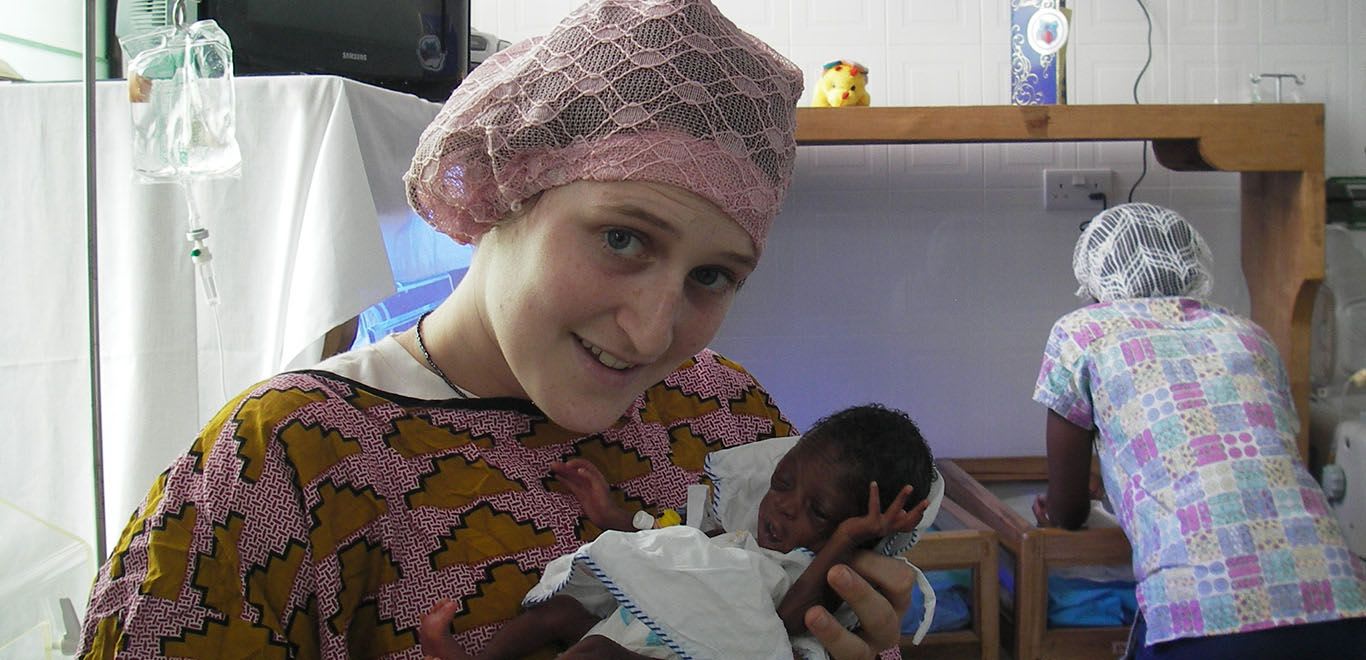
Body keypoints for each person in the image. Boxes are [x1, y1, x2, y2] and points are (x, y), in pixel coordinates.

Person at [77, 1, 918, 658]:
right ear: (507, 180)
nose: (653, 330)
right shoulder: (286, 466)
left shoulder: (731, 424)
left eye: (712, 276)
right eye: (623, 238)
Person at [1031, 203, 1366, 659]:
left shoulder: (1082, 332)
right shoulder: (1248, 333)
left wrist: (1062, 504)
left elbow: (1068, 509)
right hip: (1336, 594)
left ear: (1094, 279)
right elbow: (1241, 453)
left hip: (1203, 612)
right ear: (1193, 265)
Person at [418, 404, 938, 660]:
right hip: (636, 627)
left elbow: (784, 619)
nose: (780, 509)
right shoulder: (737, 536)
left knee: (597, 655)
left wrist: (844, 540)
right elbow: (670, 545)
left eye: (819, 513)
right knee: (561, 612)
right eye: (781, 483)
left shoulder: (806, 570)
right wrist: (610, 515)